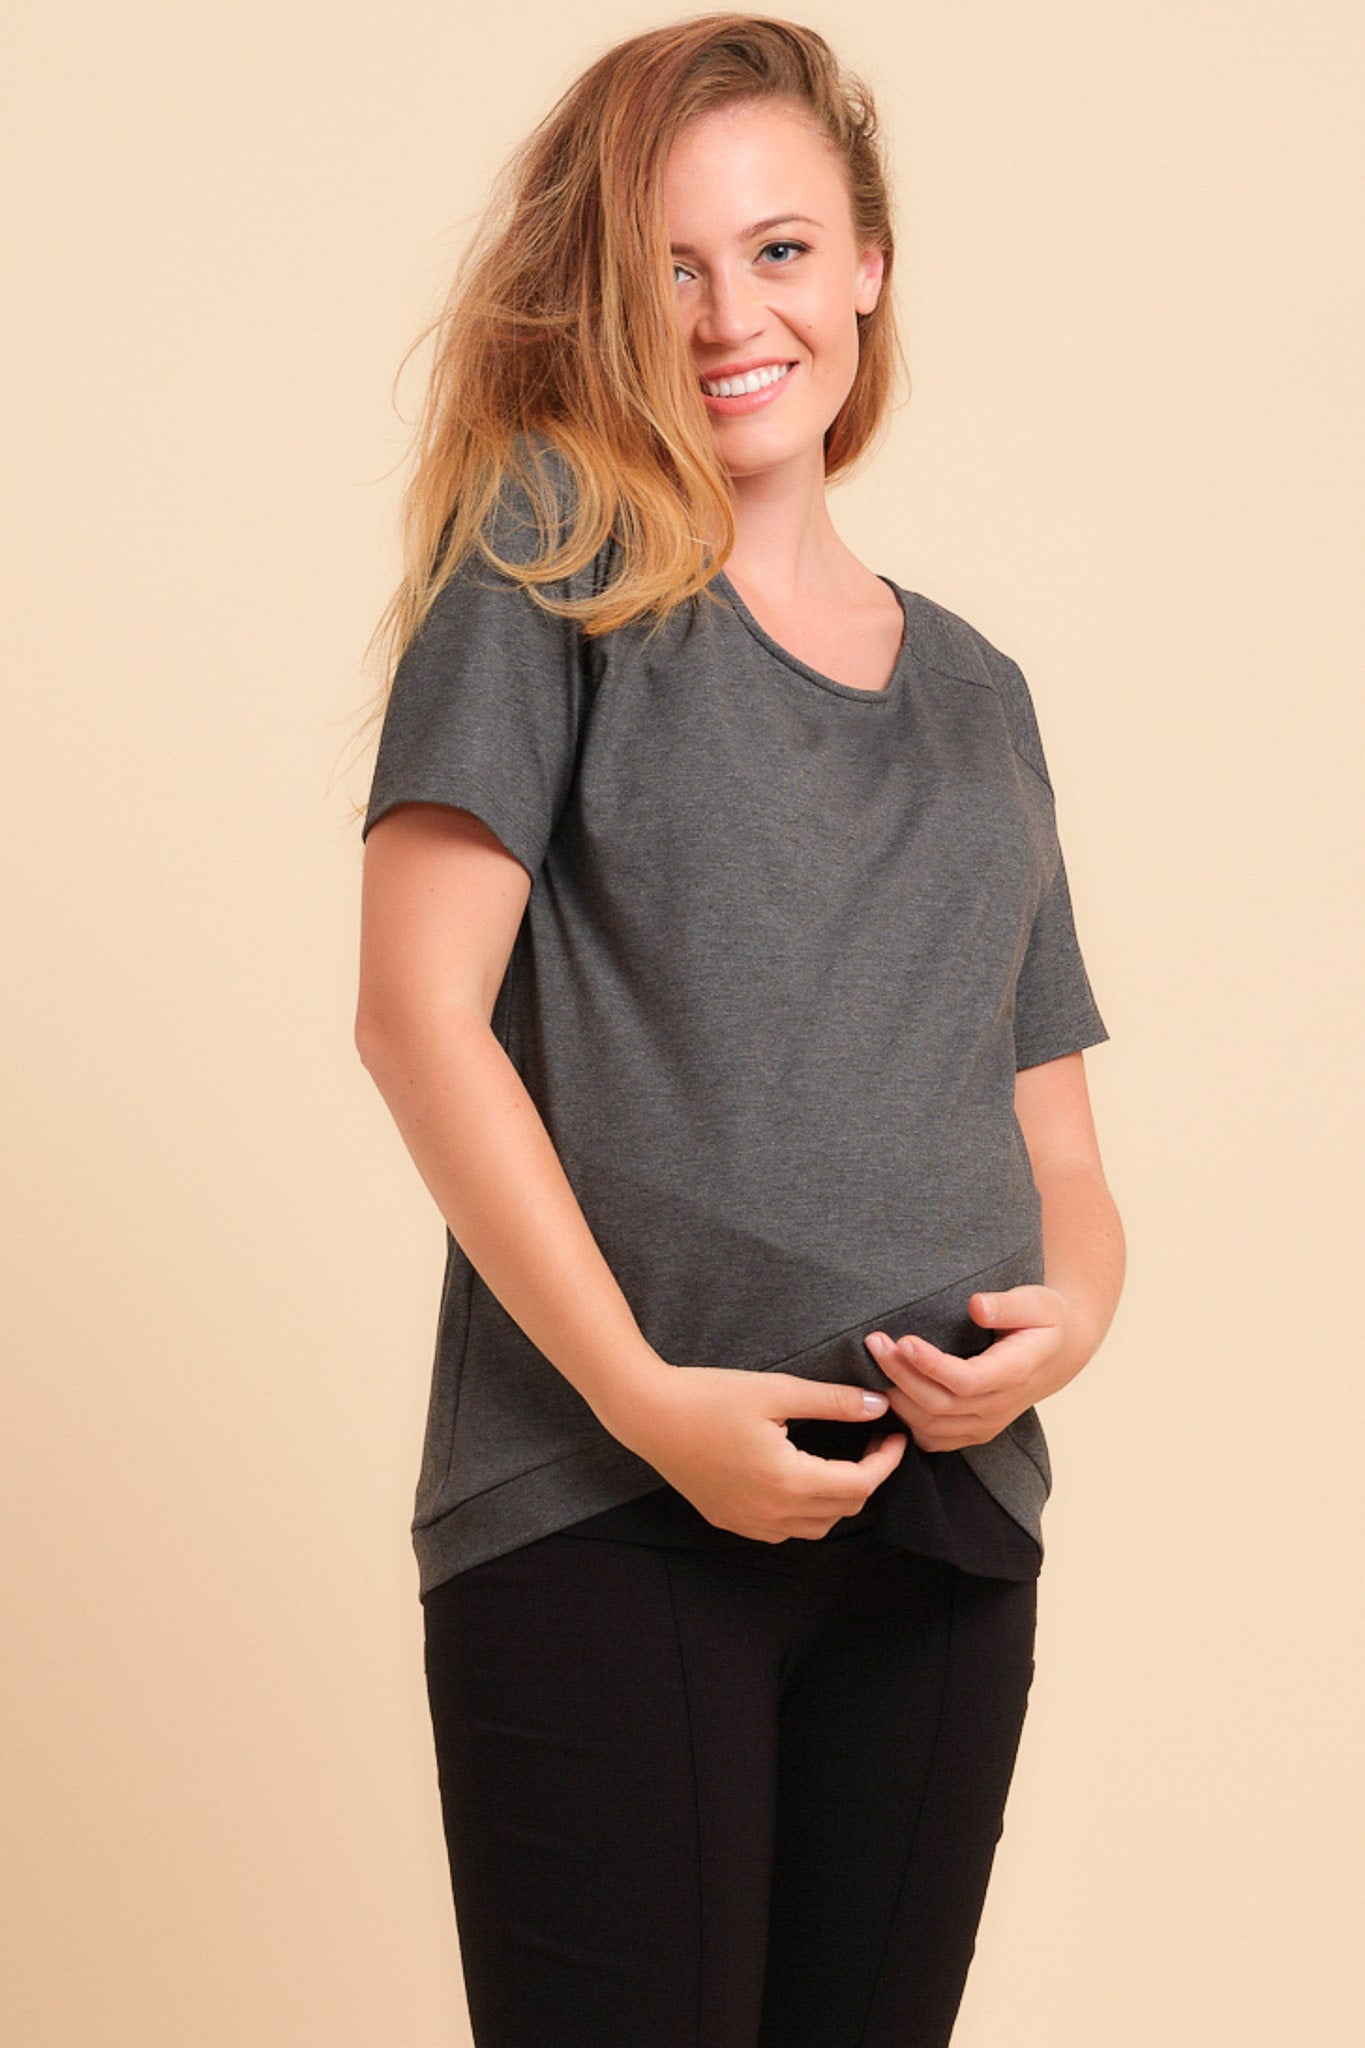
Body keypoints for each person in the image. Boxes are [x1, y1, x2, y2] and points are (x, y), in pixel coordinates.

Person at [353, 14, 1126, 2047]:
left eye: (777, 251)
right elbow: (417, 1015)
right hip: (606, 1507)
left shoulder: (978, 695)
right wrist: (638, 1398)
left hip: (939, 1525)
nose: (727, 318)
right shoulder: (547, 565)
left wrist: (1069, 1321)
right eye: (669, 267)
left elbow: (1053, 1137)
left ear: (864, 260)